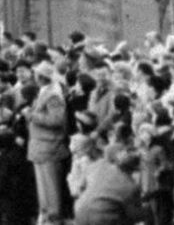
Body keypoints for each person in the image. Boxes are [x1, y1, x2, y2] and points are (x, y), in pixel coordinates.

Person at [27, 62, 69, 225]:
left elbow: (56, 120)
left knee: (50, 186)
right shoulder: (45, 92)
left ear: (41, 77)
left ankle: (53, 217)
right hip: (41, 146)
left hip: (49, 145)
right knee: (43, 186)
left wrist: (32, 116)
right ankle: (46, 215)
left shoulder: (53, 95)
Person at [73, 152, 152, 225]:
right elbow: (133, 215)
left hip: (79, 211)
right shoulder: (130, 186)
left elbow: (80, 187)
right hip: (102, 218)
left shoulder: (101, 167)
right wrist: (147, 210)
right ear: (134, 171)